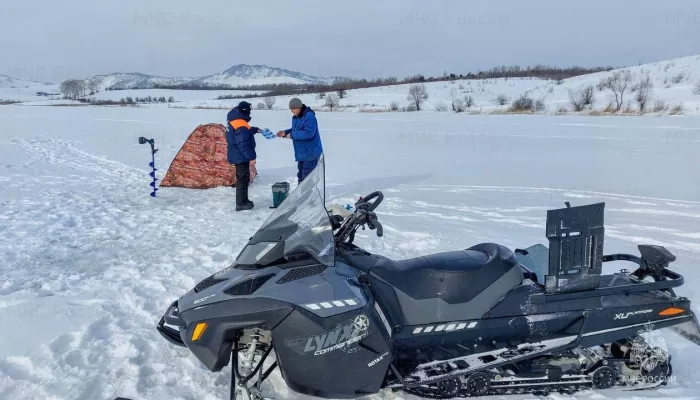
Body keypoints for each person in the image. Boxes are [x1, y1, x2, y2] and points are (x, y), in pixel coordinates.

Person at [277, 98, 324, 183]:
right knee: (301, 177)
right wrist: (285, 132)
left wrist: (291, 135)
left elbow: (308, 133)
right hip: (302, 153)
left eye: (292, 109)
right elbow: (296, 129)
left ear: (298, 108)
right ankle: (302, 195)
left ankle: (306, 196)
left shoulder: (309, 116)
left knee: (307, 179)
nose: (291, 111)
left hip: (310, 153)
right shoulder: (297, 117)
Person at [225, 101, 260, 211]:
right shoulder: (240, 124)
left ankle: (244, 200)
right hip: (240, 156)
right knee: (242, 180)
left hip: (238, 154)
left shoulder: (235, 120)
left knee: (244, 179)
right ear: (246, 111)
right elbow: (243, 143)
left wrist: (254, 130)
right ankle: (240, 204)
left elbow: (241, 132)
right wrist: (251, 157)